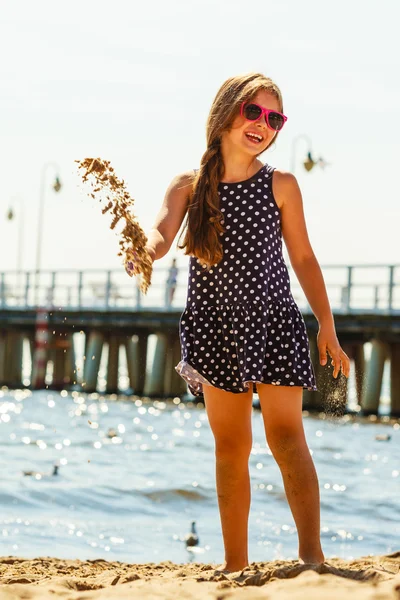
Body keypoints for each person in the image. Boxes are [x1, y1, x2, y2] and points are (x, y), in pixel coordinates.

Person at [125, 72, 350, 572]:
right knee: (231, 446)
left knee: (286, 437)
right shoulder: (189, 185)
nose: (263, 125)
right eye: (254, 111)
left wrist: (327, 327)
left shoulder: (282, 184)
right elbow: (160, 236)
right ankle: (234, 565)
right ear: (226, 112)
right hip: (212, 328)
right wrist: (141, 250)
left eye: (274, 118)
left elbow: (305, 259)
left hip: (272, 322)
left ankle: (312, 559)